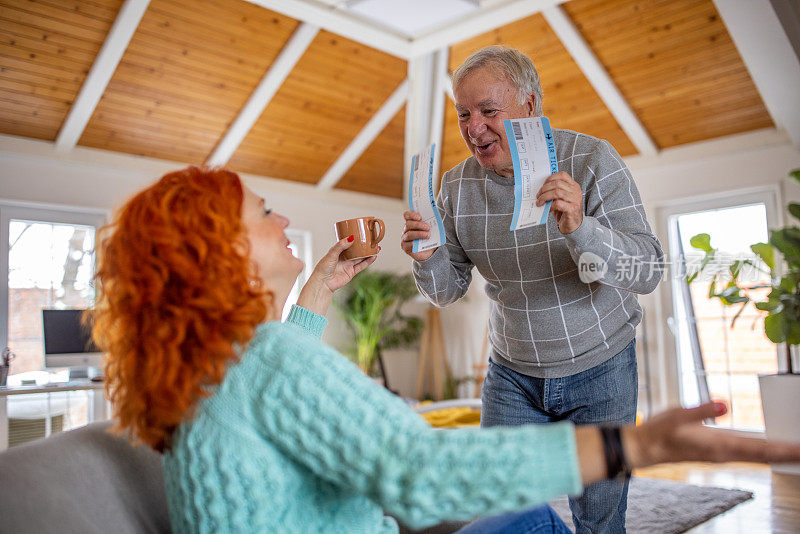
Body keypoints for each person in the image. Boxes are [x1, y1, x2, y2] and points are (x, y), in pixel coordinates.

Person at [93, 166, 800, 534]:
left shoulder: (205, 374)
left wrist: (318, 286)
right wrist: (634, 447)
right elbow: (421, 470)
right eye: (262, 211)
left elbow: (272, 390)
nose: (281, 218)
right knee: (526, 518)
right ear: (216, 253)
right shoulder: (266, 363)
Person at [401, 46, 662, 532]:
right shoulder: (456, 186)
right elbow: (446, 289)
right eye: (463, 113)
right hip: (513, 375)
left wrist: (582, 227)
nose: (473, 127)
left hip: (600, 364)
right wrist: (427, 257)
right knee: (502, 515)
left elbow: (646, 270)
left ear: (531, 106)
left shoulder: (592, 158)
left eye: (488, 111)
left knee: (600, 520)